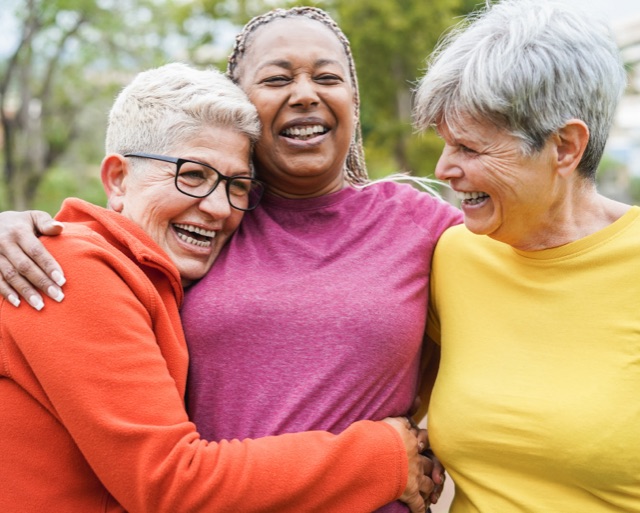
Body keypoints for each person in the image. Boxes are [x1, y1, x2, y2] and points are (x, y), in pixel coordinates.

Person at [0, 8, 460, 511]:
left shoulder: (421, 227)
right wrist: (385, 456)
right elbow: (169, 481)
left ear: (354, 99)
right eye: (192, 175)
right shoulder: (62, 266)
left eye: (327, 77)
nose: (216, 205)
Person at [413, 0, 640, 511]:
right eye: (446, 143)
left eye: (470, 149)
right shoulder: (453, 256)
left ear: (564, 147)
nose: (444, 167)